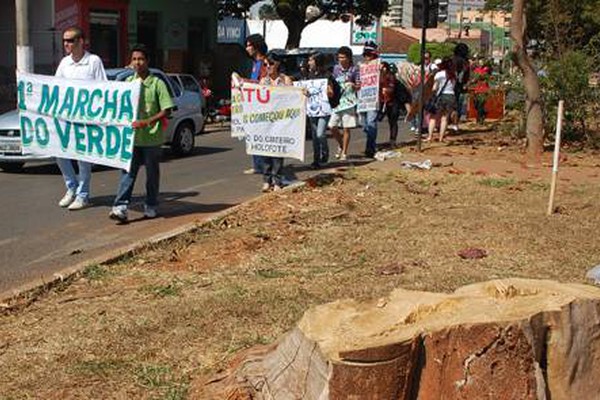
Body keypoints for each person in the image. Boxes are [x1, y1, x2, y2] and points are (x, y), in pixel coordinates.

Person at [109, 44, 175, 223]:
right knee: (127, 172)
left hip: (152, 139)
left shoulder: (157, 83)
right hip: (132, 139)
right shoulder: (128, 84)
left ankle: (151, 205)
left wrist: (146, 122)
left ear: (147, 61)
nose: (137, 63)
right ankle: (121, 206)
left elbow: (167, 110)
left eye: (140, 59)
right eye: (134, 59)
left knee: (152, 174)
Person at [54, 26, 107, 210]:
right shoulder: (64, 63)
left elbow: (103, 88)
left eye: (70, 40)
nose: (66, 44)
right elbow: (55, 87)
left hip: (86, 119)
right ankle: (72, 187)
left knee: (83, 158)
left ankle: (83, 195)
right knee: (60, 153)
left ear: (80, 41)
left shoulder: (93, 61)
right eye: (65, 41)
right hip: (66, 118)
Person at [258, 52, 293, 192]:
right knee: (266, 150)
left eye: (270, 64)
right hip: (266, 121)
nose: (268, 67)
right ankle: (267, 180)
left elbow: (294, 97)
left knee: (278, 152)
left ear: (277, 64)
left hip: (281, 121)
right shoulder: (263, 81)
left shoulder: (285, 80)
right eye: (265, 65)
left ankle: (277, 180)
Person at [243, 34, 269, 175]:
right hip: (254, 105)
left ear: (256, 46)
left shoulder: (264, 63)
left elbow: (263, 84)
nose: (247, 48)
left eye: (249, 45)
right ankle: (257, 164)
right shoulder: (255, 63)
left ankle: (263, 165)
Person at [328, 46, 359, 161]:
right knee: (332, 126)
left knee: (346, 128)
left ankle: (344, 152)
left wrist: (352, 85)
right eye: (339, 57)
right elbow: (331, 81)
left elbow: (359, 85)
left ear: (349, 58)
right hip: (337, 102)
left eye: (343, 57)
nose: (341, 59)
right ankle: (341, 144)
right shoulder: (335, 69)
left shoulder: (354, 69)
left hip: (349, 102)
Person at [306, 52, 334, 169]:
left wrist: (327, 91)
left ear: (317, 61)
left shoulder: (327, 75)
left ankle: (325, 153)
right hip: (312, 109)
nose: (309, 63)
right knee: (314, 135)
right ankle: (316, 159)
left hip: (324, 109)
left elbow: (331, 93)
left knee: (320, 133)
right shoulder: (309, 75)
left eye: (311, 60)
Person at [379, 62, 411, 147]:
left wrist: (386, 90)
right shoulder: (377, 77)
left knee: (393, 122)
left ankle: (392, 141)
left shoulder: (391, 77)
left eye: (383, 67)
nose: (382, 69)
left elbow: (393, 89)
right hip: (381, 102)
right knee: (374, 120)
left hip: (392, 102)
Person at [359, 41, 381, 158]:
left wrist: (381, 71)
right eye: (366, 54)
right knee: (363, 124)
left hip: (373, 99)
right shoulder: (360, 67)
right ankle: (371, 140)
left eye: (370, 54)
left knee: (371, 122)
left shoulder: (379, 66)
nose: (368, 57)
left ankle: (370, 148)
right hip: (362, 100)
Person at [426, 57, 456, 143]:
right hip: (451, 96)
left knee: (433, 117)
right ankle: (441, 137)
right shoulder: (453, 75)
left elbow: (435, 88)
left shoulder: (439, 74)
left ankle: (430, 136)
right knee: (445, 118)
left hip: (441, 96)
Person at [470, 58, 492, 124]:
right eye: (479, 62)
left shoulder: (486, 69)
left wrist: (476, 78)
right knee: (476, 103)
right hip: (477, 89)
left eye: (482, 62)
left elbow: (481, 76)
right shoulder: (476, 69)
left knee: (481, 104)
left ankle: (479, 119)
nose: (480, 63)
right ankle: (483, 113)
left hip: (484, 89)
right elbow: (473, 76)